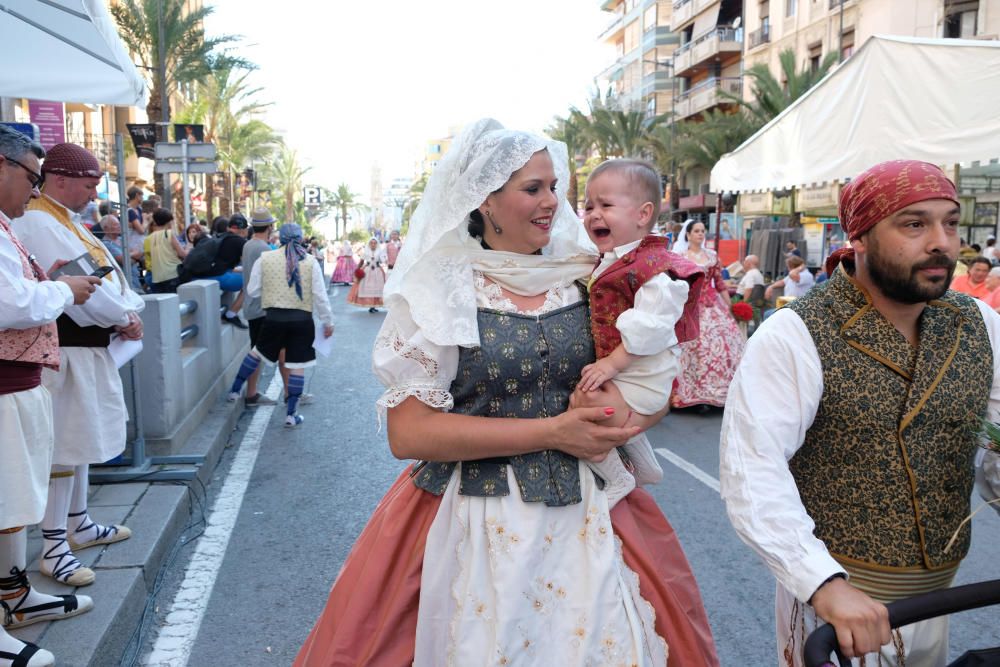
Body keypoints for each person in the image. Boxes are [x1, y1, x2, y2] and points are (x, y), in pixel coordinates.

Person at [294, 119, 718, 667]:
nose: (551, 202)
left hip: (588, 509)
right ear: (485, 201)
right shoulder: (439, 292)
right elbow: (409, 432)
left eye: (553, 187)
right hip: (470, 514)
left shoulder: (588, 276)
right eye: (532, 188)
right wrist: (554, 432)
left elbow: (653, 377)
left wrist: (627, 421)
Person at [720, 159, 1000, 666]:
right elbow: (752, 473)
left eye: (951, 222)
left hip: (942, 596)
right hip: (838, 610)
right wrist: (824, 586)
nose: (942, 242)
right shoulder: (797, 333)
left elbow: (994, 446)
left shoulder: (978, 323)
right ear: (862, 237)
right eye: (915, 224)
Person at [13, 142, 144, 589]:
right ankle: (54, 547)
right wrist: (123, 316)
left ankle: (78, 523)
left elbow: (101, 281)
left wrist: (124, 311)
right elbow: (82, 289)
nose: (93, 194)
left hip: (82, 348)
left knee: (79, 441)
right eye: (88, 186)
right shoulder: (39, 220)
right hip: (64, 350)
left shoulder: (61, 218)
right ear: (60, 179)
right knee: (63, 448)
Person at [0, 126, 99, 667]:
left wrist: (50, 283)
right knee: (5, 500)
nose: (33, 191)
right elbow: (10, 304)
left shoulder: (10, 223)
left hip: (17, 383)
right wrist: (63, 289)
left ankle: (13, 596)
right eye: (31, 178)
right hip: (5, 386)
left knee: (13, 502)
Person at [577, 158, 704, 507]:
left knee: (583, 408)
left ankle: (618, 478)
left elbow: (649, 328)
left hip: (642, 372)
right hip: (634, 369)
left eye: (605, 205)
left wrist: (611, 365)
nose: (593, 214)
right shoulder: (616, 258)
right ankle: (646, 467)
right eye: (588, 206)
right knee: (597, 409)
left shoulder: (658, 269)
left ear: (643, 214)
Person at [227, 224, 333, 427]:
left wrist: (272, 295)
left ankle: (234, 390)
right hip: (302, 320)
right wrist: (328, 322)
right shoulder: (310, 262)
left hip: (273, 318)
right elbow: (320, 296)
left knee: (257, 352)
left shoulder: (265, 259)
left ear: (281, 239)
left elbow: (253, 290)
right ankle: (291, 415)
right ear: (301, 238)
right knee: (297, 365)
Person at [670, 219, 745, 409]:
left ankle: (716, 392)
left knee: (720, 345)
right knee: (691, 347)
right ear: (688, 234)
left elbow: (719, 283)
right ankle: (691, 394)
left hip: (712, 306)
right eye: (696, 231)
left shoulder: (711, 256)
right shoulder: (679, 256)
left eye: (703, 231)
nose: (700, 234)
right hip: (689, 305)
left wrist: (730, 306)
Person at [239, 208, 281, 407]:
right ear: (270, 226)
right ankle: (251, 393)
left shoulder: (248, 245)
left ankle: (251, 391)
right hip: (261, 307)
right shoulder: (263, 248)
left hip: (252, 305)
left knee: (258, 350)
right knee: (258, 352)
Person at [208, 214, 249, 329]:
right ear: (242, 229)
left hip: (206, 275)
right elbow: (249, 265)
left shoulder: (219, 236)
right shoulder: (239, 241)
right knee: (251, 281)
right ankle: (231, 314)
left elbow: (223, 263)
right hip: (219, 276)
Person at [144, 208, 186, 293]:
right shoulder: (169, 234)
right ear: (169, 221)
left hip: (157, 277)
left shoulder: (148, 238)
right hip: (172, 274)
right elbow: (181, 253)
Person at [98, 215, 142, 290]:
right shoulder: (106, 244)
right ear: (106, 228)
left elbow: (139, 253)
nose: (119, 226)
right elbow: (124, 261)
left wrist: (127, 256)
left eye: (119, 224)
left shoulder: (122, 239)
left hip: (135, 281)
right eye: (115, 224)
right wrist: (134, 258)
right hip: (124, 286)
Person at [346, 237, 386, 312]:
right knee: (367, 288)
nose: (373, 245)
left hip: (377, 271)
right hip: (367, 271)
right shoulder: (365, 252)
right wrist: (357, 269)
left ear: (377, 244)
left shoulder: (380, 252)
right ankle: (371, 306)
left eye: (375, 243)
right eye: (371, 243)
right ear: (369, 244)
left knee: (377, 288)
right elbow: (361, 262)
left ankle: (374, 305)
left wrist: (384, 258)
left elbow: (383, 261)